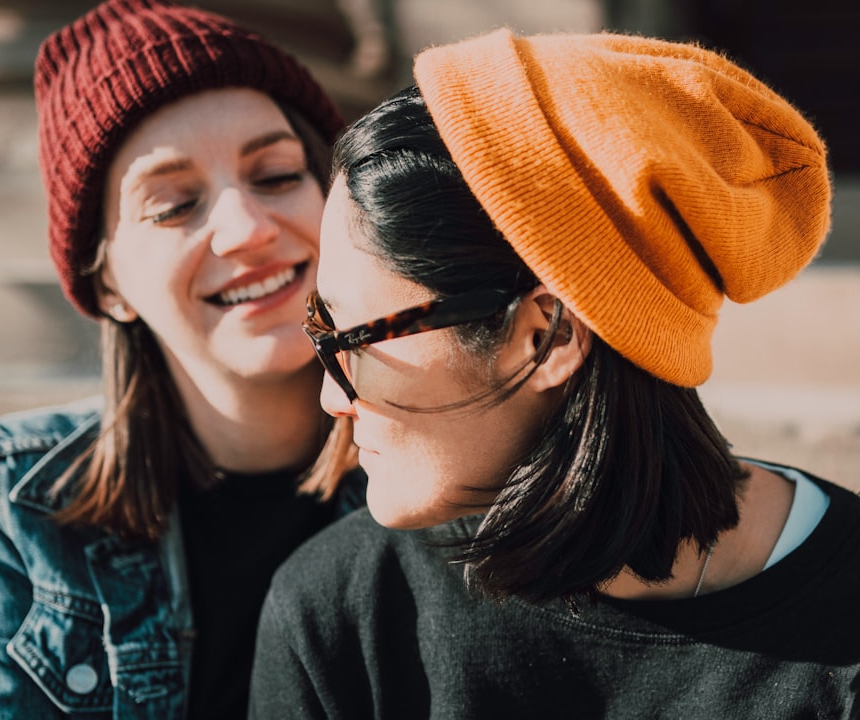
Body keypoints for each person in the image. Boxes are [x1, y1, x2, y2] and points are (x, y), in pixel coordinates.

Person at [249, 28, 860, 718]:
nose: (332, 396)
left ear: (548, 335)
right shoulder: (348, 611)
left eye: (354, 339)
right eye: (322, 330)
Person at [0, 1, 361, 717]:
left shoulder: (453, 460)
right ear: (109, 284)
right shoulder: (25, 508)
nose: (246, 229)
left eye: (278, 174)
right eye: (174, 204)